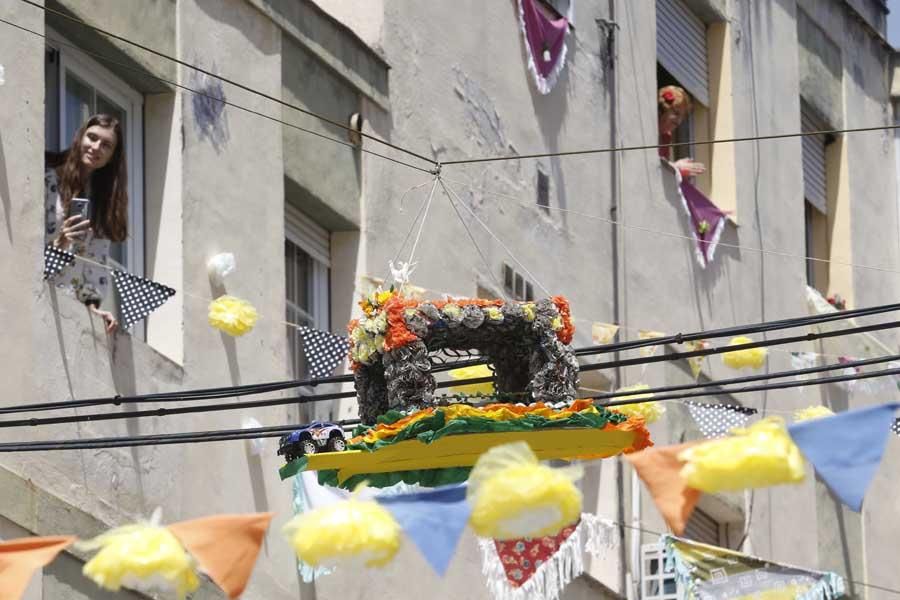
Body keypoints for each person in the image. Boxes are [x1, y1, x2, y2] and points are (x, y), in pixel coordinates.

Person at [45, 114, 128, 333]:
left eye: (106, 145)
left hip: (68, 310)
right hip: (35, 294)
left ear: (112, 157)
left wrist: (92, 307)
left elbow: (94, 261)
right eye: (92, 137)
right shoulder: (46, 177)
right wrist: (61, 241)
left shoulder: (103, 203)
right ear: (80, 136)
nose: (96, 147)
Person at [658, 85, 705, 178]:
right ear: (663, 109)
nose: (678, 121)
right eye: (676, 113)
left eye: (682, 117)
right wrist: (677, 167)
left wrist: (675, 167)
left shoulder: (666, 137)